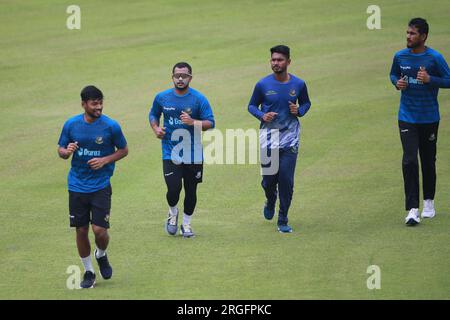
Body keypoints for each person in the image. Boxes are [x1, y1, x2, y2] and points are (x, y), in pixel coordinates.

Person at [58, 85, 128, 288]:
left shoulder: (111, 126)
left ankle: (102, 254)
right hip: (77, 186)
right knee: (81, 230)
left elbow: (123, 150)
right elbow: (61, 151)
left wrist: (105, 160)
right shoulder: (71, 125)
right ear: (83, 104)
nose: (99, 107)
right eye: (94, 103)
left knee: (99, 230)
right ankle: (88, 271)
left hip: (100, 185)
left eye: (100, 102)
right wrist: (66, 151)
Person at [390, 18, 450, 226]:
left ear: (423, 36)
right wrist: (397, 83)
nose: (408, 36)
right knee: (409, 160)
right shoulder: (400, 56)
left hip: (429, 118)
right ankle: (413, 209)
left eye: (412, 34)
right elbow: (393, 74)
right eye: (407, 33)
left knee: (427, 160)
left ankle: (429, 202)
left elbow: (449, 80)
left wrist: (430, 80)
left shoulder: (434, 58)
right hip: (406, 117)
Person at [248, 45, 311, 233]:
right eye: (273, 60)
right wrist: (262, 115)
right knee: (268, 180)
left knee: (286, 179)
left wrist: (299, 111)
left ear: (288, 62)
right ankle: (270, 198)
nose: (276, 63)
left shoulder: (298, 84)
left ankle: (283, 219)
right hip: (268, 139)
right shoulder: (262, 84)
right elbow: (251, 105)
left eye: (280, 60)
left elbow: (307, 102)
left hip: (290, 140)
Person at [149, 62, 215, 238]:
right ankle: (172, 213)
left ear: (190, 78)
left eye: (184, 76)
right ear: (172, 77)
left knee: (191, 191)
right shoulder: (162, 97)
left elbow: (210, 123)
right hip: (170, 152)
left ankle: (186, 224)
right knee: (173, 188)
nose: (180, 78)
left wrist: (193, 122)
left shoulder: (199, 99)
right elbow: (153, 115)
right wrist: (156, 128)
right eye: (177, 75)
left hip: (193, 153)